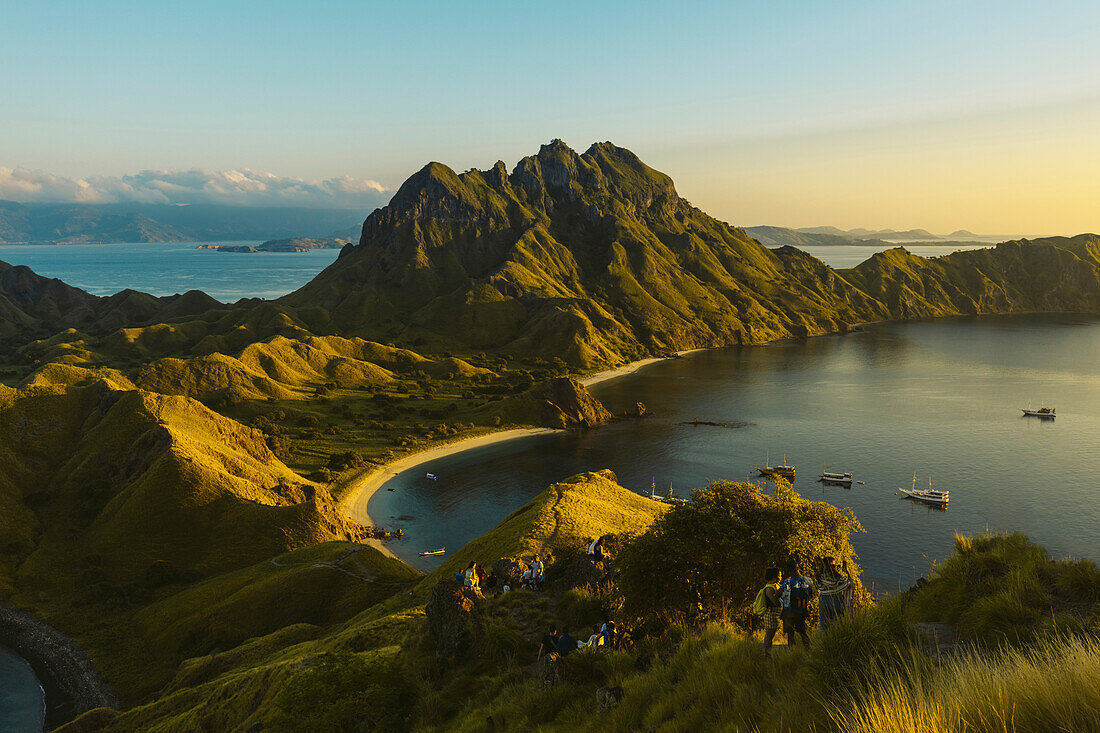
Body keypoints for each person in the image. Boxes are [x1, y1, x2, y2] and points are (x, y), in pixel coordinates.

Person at [779, 559, 815, 647]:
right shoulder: (808, 580)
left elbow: (777, 594)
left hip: (789, 612)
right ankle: (808, 649)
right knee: (803, 632)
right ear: (798, 569)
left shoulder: (788, 582)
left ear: (789, 571)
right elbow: (812, 593)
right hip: (801, 610)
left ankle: (791, 652)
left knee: (790, 634)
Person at [816, 556, 851, 631]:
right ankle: (835, 641)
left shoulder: (819, 577)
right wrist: (846, 572)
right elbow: (848, 583)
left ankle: (824, 641)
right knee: (837, 624)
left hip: (823, 599)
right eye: (834, 565)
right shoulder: (836, 578)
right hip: (835, 600)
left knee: (824, 626)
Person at [756, 567, 783, 657]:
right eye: (779, 575)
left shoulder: (777, 586)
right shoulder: (769, 589)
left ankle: (768, 652)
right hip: (770, 613)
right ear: (774, 576)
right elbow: (775, 602)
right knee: (769, 633)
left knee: (772, 632)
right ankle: (767, 653)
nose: (780, 577)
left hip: (775, 614)